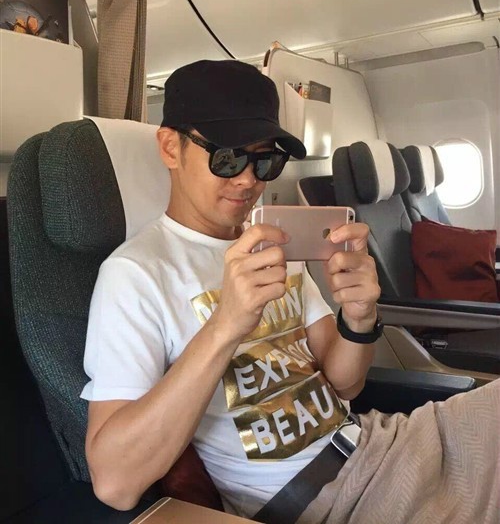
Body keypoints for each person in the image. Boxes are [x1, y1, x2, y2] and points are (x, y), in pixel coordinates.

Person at [81, 60, 499, 524]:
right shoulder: (134, 275)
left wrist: (359, 318)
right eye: (227, 157)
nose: (248, 179)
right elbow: (115, 483)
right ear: (169, 147)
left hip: (381, 444)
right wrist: (226, 326)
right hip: (329, 500)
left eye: (265, 160)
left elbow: (345, 384)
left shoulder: (275, 244)